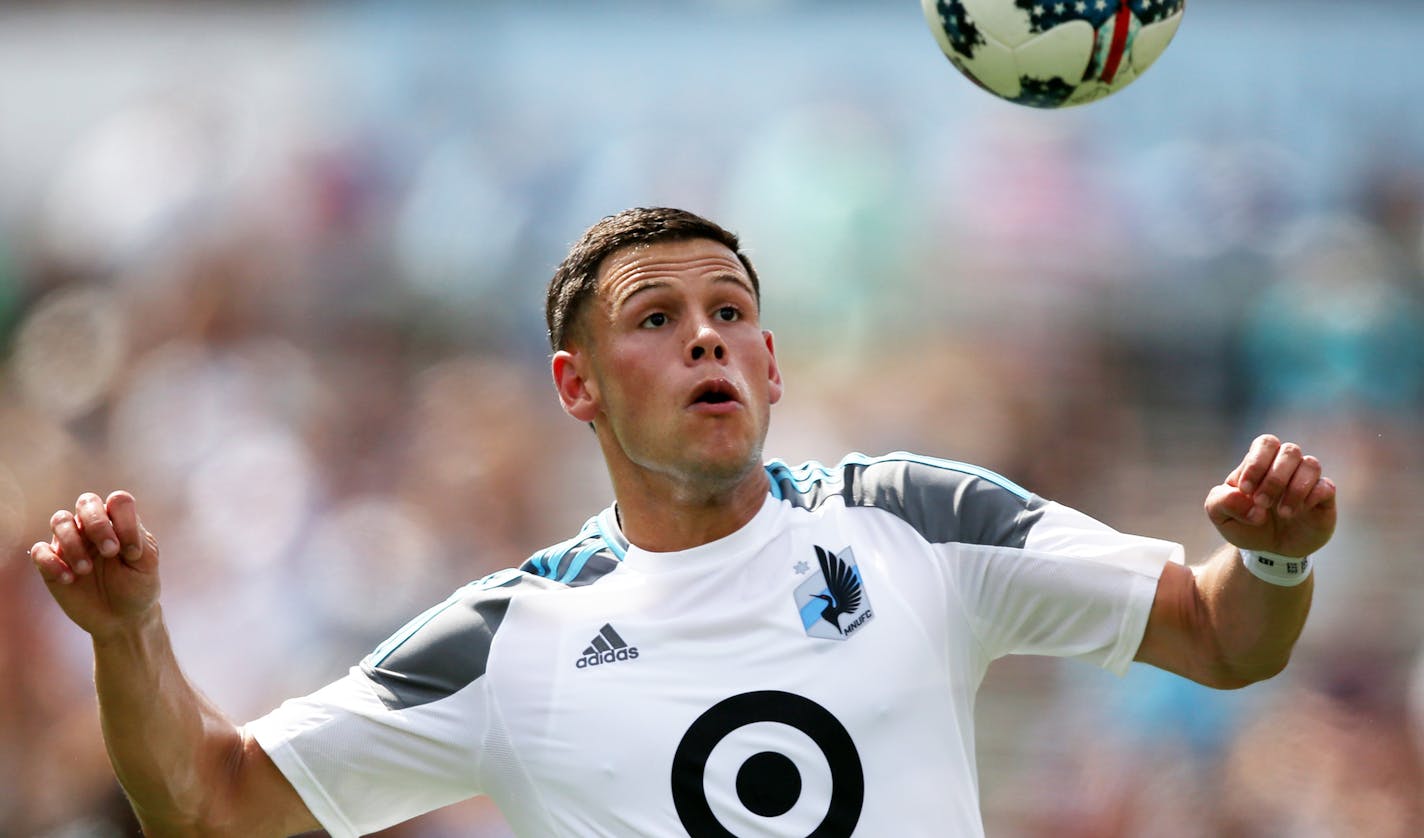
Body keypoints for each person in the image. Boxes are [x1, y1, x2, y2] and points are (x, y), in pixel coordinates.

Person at [30, 207, 1337, 837]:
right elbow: (207, 801)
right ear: (577, 386)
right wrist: (130, 628)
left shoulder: (915, 523)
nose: (705, 333)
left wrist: (1275, 551)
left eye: (730, 311)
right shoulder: (510, 638)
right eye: (656, 316)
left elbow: (1228, 636)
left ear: (771, 367)